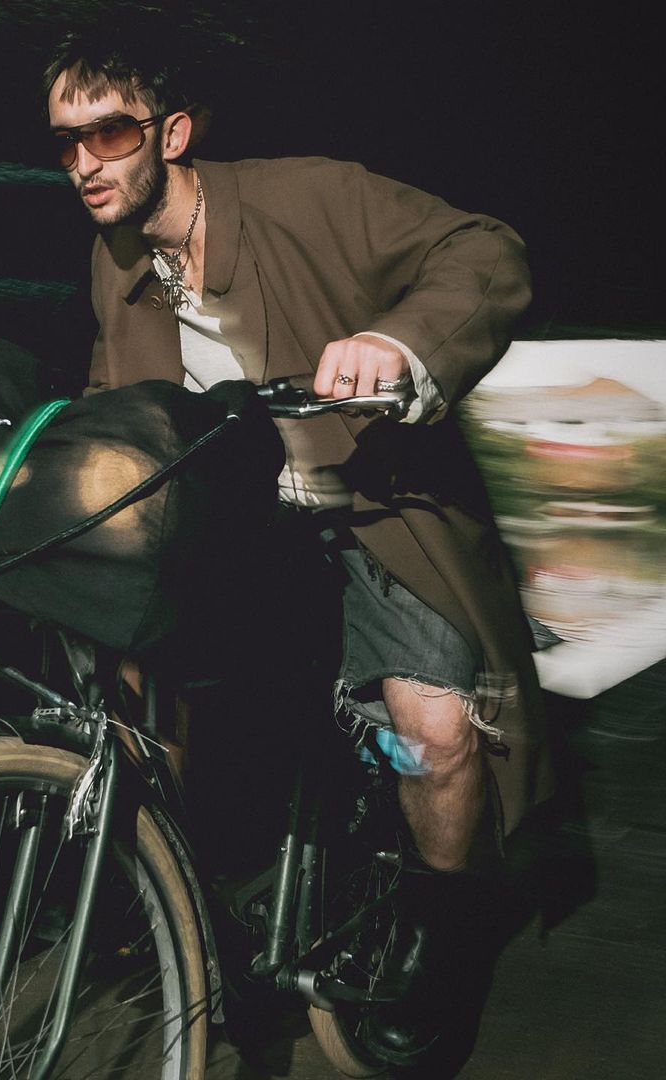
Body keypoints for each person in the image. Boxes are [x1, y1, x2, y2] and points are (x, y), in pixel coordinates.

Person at [43, 23, 553, 1063]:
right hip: (239, 526)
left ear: (171, 133)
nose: (85, 162)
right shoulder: (114, 256)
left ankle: (444, 930)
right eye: (66, 141)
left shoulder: (307, 196)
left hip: (371, 509)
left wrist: (397, 342)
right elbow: (114, 400)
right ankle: (163, 893)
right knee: (125, 663)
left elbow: (485, 250)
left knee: (427, 731)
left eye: (110, 133)